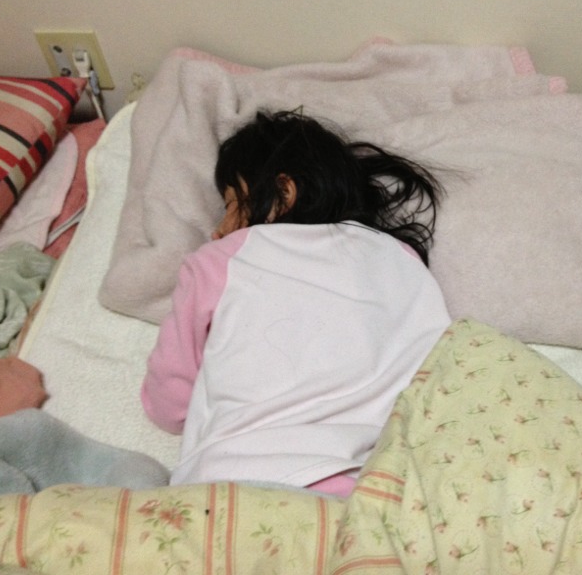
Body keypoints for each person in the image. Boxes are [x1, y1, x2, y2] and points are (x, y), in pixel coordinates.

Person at [141, 109, 451, 496]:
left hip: (233, 484)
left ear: (283, 194)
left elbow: (169, 404)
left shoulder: (224, 258)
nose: (218, 229)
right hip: (377, 489)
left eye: (231, 205)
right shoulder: (402, 260)